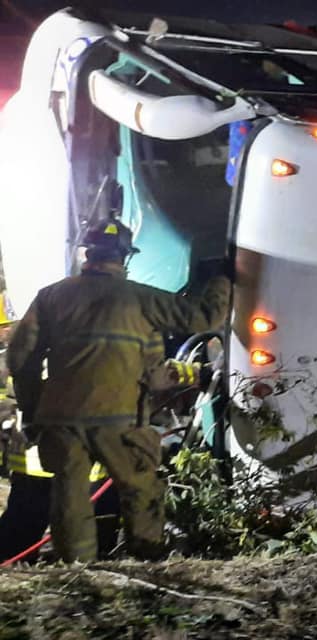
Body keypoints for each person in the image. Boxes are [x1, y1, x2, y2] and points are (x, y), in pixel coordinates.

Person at [6, 219, 230, 562]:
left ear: (87, 253)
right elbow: (203, 318)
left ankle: (77, 574)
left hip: (62, 420)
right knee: (141, 489)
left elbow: (21, 358)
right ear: (124, 256)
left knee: (69, 499)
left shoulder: (50, 297)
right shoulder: (139, 297)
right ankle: (148, 563)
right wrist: (222, 278)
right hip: (120, 420)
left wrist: (34, 411)